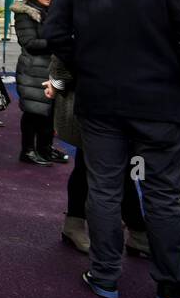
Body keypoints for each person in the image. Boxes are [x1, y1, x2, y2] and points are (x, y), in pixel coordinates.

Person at [42, 0, 180, 298]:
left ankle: (105, 275)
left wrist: (86, 66)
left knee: (104, 189)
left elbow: (55, 36)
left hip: (101, 101)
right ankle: (172, 284)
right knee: (163, 194)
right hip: (163, 104)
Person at [46, 55, 148, 256]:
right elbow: (62, 50)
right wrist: (57, 83)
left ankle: (76, 224)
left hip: (116, 101)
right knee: (116, 168)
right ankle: (137, 233)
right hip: (96, 103)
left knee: (92, 165)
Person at [13, 0, 68, 165]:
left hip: (50, 68)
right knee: (34, 112)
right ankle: (28, 150)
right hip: (32, 70)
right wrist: (57, 42)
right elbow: (29, 43)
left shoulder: (49, 12)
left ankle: (45, 148)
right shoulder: (25, 14)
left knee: (49, 112)